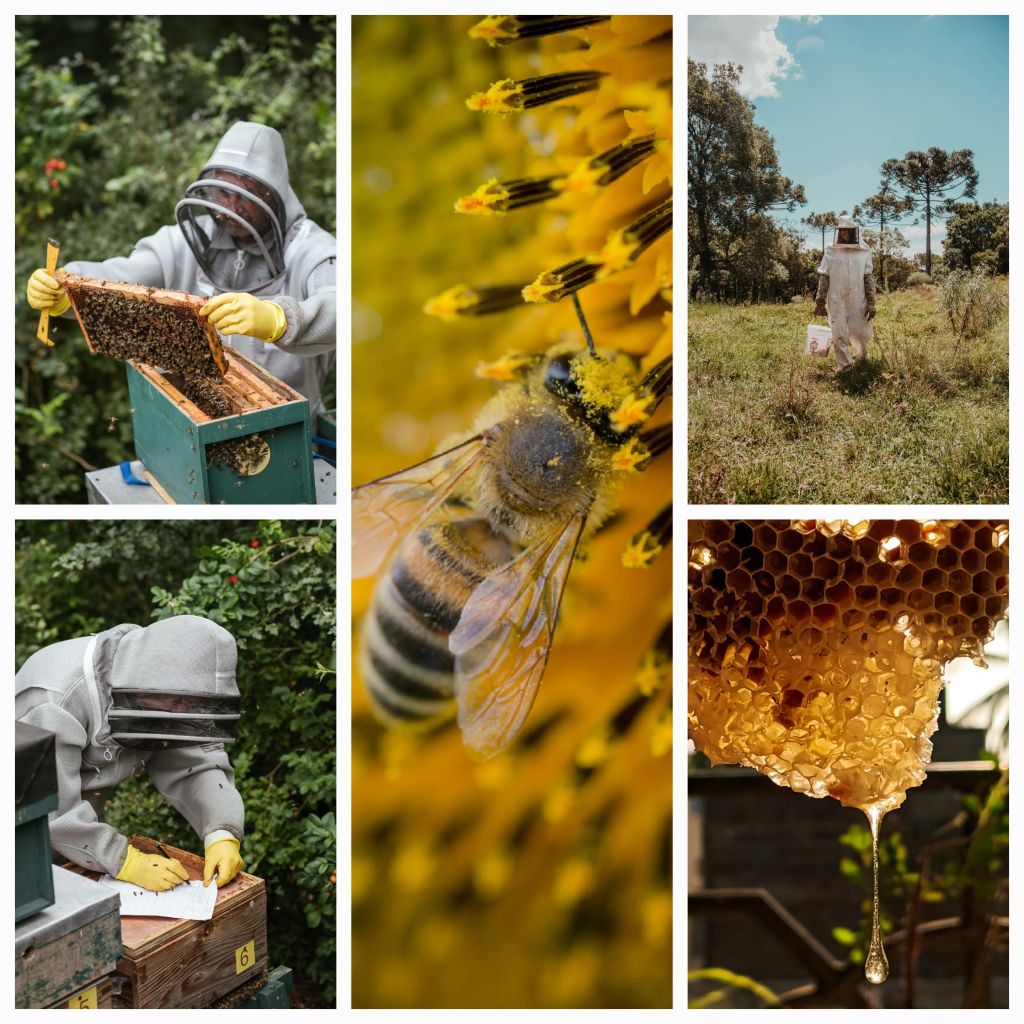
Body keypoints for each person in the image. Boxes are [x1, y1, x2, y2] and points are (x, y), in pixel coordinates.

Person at [25, 121, 335, 418]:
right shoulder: (183, 242)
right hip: (194, 423)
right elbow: (125, 275)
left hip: (290, 438)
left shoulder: (313, 250)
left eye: (246, 194)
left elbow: (345, 308)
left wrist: (280, 319)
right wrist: (68, 288)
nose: (232, 206)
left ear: (273, 194)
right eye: (224, 192)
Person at [15, 615, 245, 891]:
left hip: (73, 846)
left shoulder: (156, 685)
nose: (183, 712)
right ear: (149, 680)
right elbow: (52, 808)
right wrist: (123, 859)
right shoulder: (54, 701)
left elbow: (190, 761)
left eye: (193, 704)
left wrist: (221, 831)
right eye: (178, 702)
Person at [814, 216, 876, 373]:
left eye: (849, 231)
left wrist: (871, 302)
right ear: (839, 232)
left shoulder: (864, 250)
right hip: (836, 300)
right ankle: (846, 368)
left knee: (860, 332)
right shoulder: (830, 250)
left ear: (855, 232)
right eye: (843, 231)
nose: (846, 234)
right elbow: (824, 276)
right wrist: (820, 302)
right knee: (839, 333)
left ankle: (862, 357)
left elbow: (868, 277)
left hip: (858, 299)